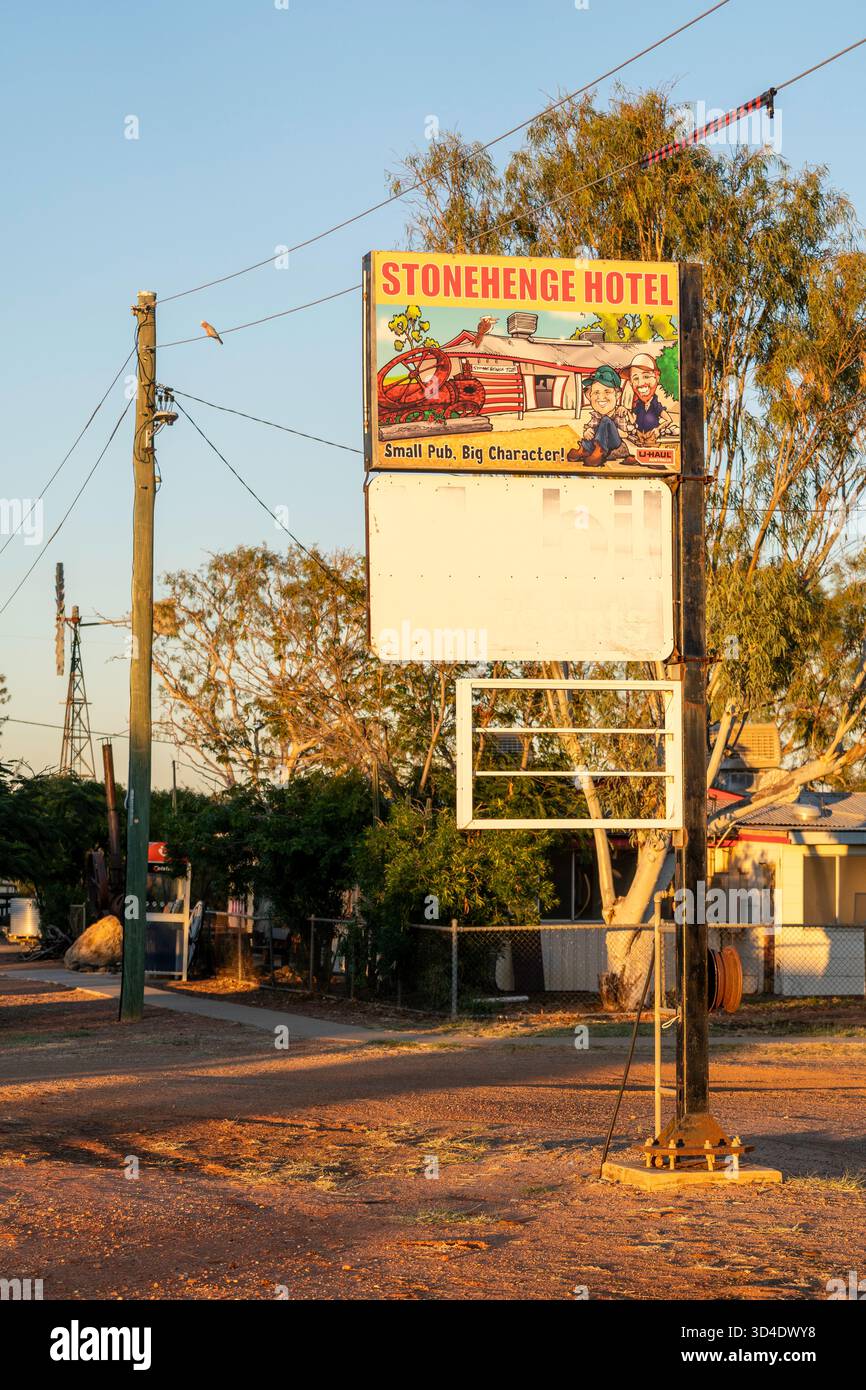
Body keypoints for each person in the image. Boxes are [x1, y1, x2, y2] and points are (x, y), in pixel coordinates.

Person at [572, 364, 625, 466]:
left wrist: (607, 430)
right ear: (590, 395)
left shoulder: (619, 413)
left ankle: (599, 451)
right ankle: (584, 450)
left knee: (605, 421)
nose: (601, 397)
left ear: (617, 395)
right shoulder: (596, 415)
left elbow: (625, 434)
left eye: (607, 392)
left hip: (614, 442)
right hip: (597, 441)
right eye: (596, 392)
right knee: (596, 428)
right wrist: (587, 431)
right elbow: (590, 427)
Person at [622, 352, 674, 445]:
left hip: (652, 436)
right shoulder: (638, 405)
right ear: (630, 382)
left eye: (646, 376)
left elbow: (669, 420)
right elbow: (633, 421)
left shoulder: (655, 405)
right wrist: (626, 410)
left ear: (657, 378)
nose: (641, 383)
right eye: (635, 378)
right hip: (640, 436)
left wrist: (658, 429)